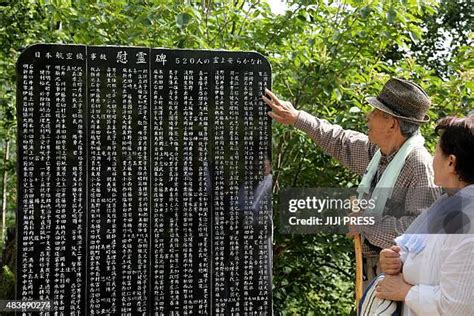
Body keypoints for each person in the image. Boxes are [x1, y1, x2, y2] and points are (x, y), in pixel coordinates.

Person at [262, 78, 441, 282]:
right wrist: (296, 117)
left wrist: (366, 221)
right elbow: (340, 141)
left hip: (401, 278)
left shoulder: (418, 165)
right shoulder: (379, 152)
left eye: (375, 112)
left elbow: (423, 231)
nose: (368, 116)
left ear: (392, 123)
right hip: (371, 270)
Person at [377, 115, 474, 315]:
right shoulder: (448, 203)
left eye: (437, 152)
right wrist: (395, 259)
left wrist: (405, 292)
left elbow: (459, 307)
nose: (432, 158)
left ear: (451, 163)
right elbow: (416, 249)